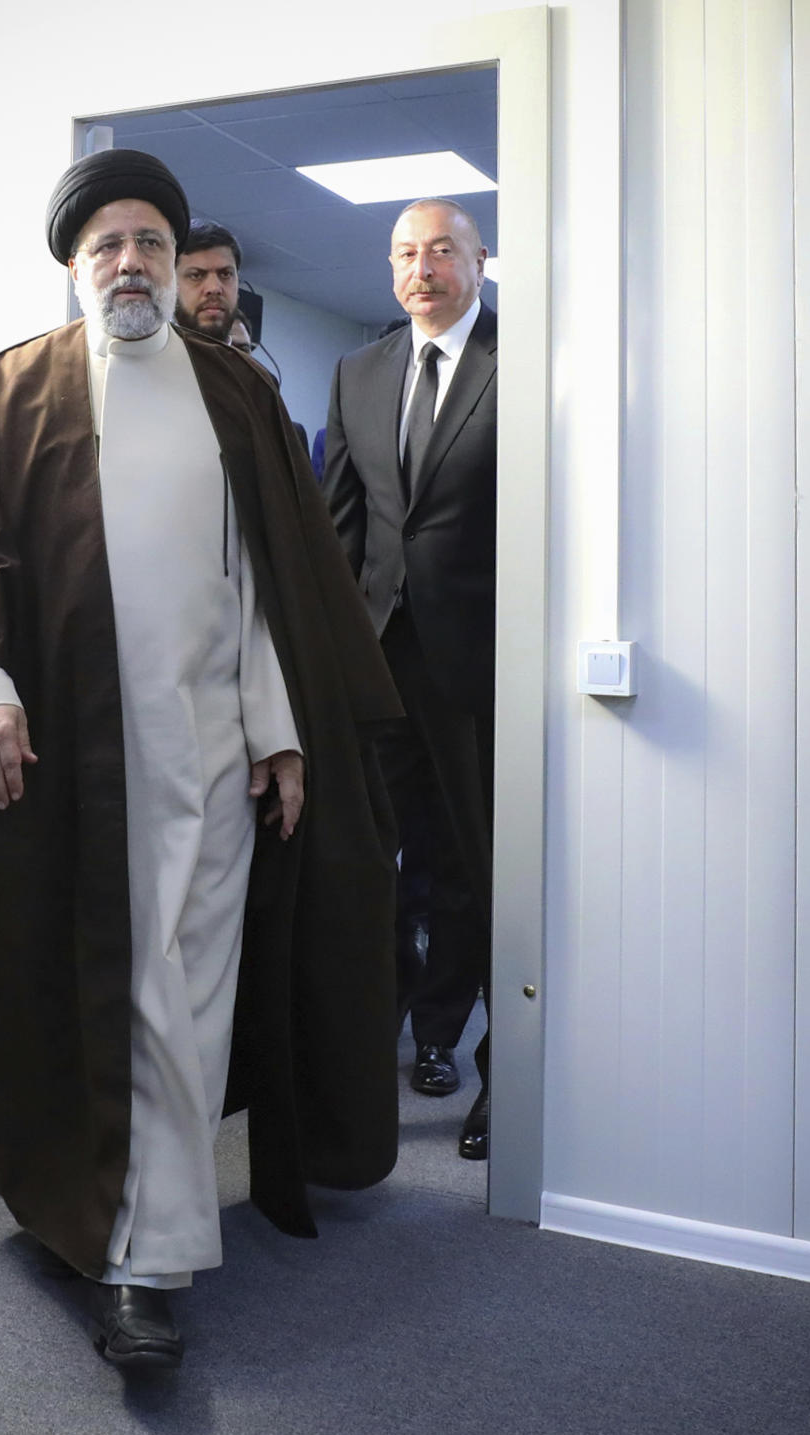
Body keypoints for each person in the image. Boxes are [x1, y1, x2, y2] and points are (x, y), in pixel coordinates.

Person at [0, 148, 402, 1369]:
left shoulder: (234, 395)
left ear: (180, 266)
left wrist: (283, 734)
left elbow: (267, 588)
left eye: (150, 245)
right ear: (76, 270)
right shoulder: (14, 388)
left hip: (217, 750)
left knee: (188, 996)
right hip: (84, 754)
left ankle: (139, 1240)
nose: (131, 264)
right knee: (135, 995)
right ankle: (140, 1257)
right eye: (107, 248)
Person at [322, 198, 496, 1161]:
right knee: (366, 865)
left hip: (480, 670)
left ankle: (479, 1069)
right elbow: (340, 530)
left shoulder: (523, 359)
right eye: (403, 253)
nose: (420, 268)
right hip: (378, 663)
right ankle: (370, 1066)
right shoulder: (361, 369)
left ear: (479, 260)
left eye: (439, 250)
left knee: (481, 873)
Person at [174, 219, 242, 342]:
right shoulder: (143, 360)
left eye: (226, 274)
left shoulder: (245, 362)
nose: (214, 288)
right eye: (196, 275)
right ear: (171, 286)